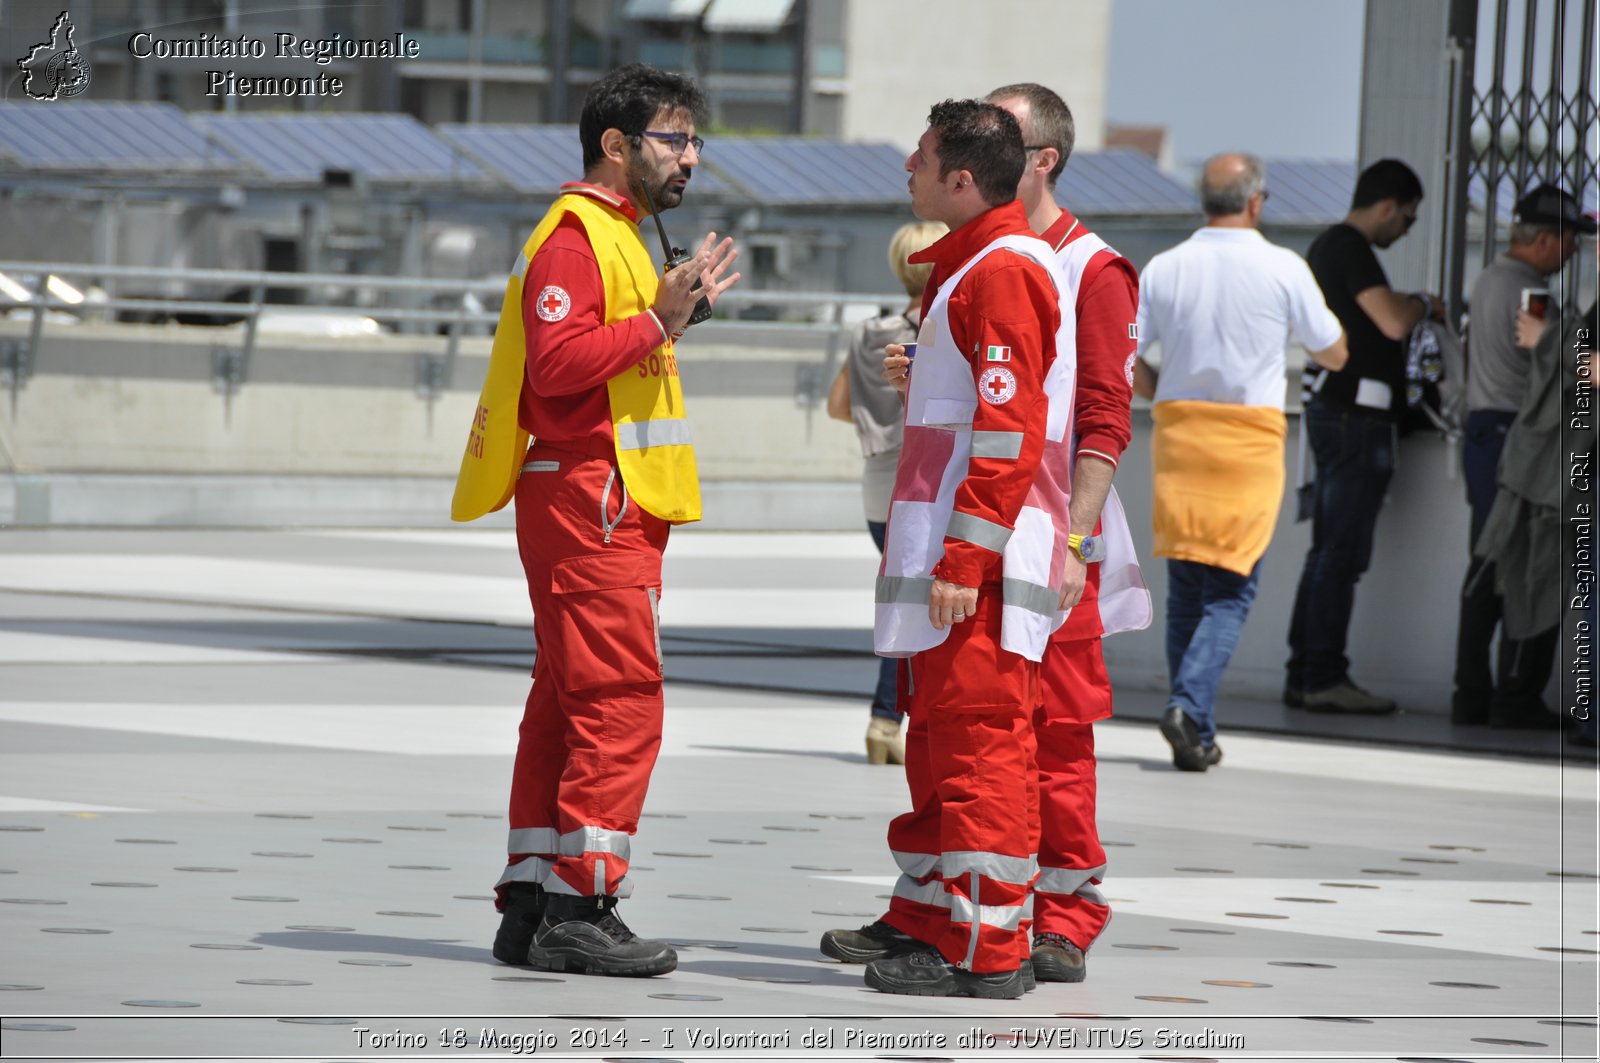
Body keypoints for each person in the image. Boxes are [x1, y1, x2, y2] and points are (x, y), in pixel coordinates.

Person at [450, 63, 740, 978]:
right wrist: (659, 320)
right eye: (674, 137)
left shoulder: (616, 235)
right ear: (616, 146)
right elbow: (561, 363)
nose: (690, 155)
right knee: (619, 702)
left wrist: (671, 312)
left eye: (693, 140)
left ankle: (535, 902)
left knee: (568, 701)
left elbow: (603, 356)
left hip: (598, 494)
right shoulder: (580, 236)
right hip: (590, 498)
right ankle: (583, 903)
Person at [822, 98, 1074, 1000]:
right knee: (939, 741)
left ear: (960, 179)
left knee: (981, 748)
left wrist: (965, 561)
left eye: (921, 159)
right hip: (952, 561)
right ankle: (936, 920)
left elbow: (1009, 434)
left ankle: (986, 947)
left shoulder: (1003, 271)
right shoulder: (971, 270)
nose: (909, 172)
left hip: (982, 567)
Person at [985, 82, 1149, 984]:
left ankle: (1068, 913)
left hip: (1054, 532)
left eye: (999, 133)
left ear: (1042, 158)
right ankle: (971, 905)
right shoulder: (982, 252)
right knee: (975, 726)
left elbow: (1104, 416)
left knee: (1057, 729)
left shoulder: (1094, 267)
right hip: (980, 530)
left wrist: (1077, 540)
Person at [1135, 154, 1347, 769]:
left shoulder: (1165, 266)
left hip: (1179, 434)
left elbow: (1124, 356)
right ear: (1256, 201)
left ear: (1205, 200)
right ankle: (1187, 707)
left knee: (1186, 590)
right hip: (1250, 439)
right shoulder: (1284, 265)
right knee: (1232, 590)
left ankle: (1196, 732)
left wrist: (1166, 386)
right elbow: (1332, 352)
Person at [1285, 158, 1445, 713]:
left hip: (1345, 417)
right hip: (1355, 421)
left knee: (1330, 551)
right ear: (1386, 206)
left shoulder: (1334, 248)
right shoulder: (1347, 248)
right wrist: (1427, 303)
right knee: (1340, 553)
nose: (1407, 229)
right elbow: (1394, 321)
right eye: (1409, 217)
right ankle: (1323, 674)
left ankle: (1307, 672)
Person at [1452, 185, 1591, 727]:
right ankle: (1515, 697)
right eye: (1569, 241)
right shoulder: (1533, 295)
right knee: (1529, 568)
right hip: (1522, 441)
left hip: (1485, 432)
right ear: (1544, 240)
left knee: (1486, 563)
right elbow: (1554, 368)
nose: (1574, 252)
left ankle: (1471, 692)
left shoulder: (1487, 279)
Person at [827, 220, 948, 765]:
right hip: (924, 482)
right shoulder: (940, 328)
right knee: (920, 605)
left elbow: (837, 405)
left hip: (876, 482)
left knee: (905, 596)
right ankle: (889, 715)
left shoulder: (869, 330)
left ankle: (885, 719)